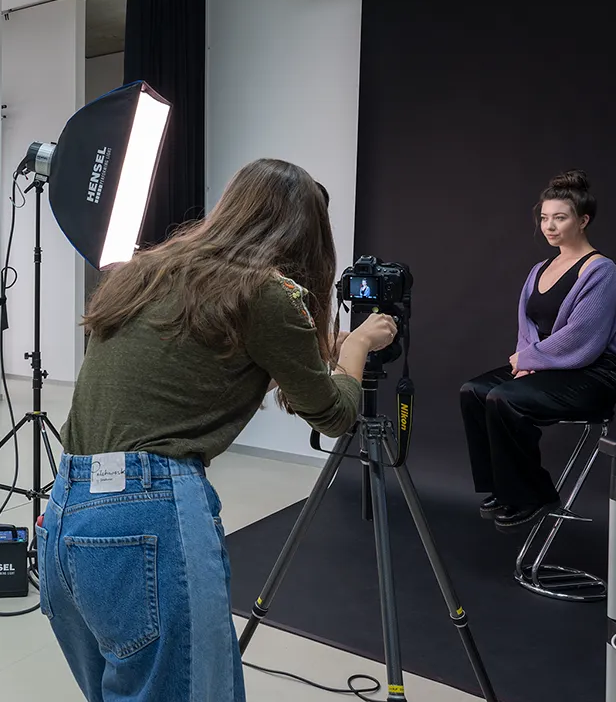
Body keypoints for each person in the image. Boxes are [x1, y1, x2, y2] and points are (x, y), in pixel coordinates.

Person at [38, 158, 398, 702]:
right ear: (308, 237)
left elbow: (189, 356)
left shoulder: (147, 271)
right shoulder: (269, 292)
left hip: (66, 508)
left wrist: (314, 347)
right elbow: (334, 413)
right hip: (147, 513)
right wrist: (357, 347)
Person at [459, 170, 616, 530]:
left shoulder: (601, 270)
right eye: (545, 217)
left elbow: (583, 336)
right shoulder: (540, 269)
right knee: (474, 391)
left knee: (506, 398)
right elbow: (527, 326)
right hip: (548, 368)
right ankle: (505, 488)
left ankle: (534, 494)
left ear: (582, 220)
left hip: (593, 373)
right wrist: (529, 363)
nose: (549, 226)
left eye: (560, 218)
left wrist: (529, 360)